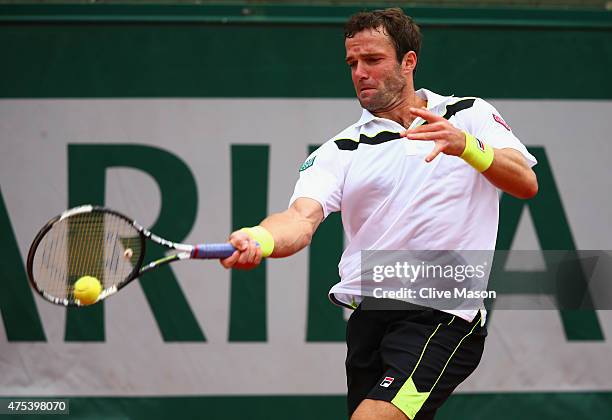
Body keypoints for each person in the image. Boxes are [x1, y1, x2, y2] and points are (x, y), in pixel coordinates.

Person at [221, 7, 538, 420]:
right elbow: (300, 218)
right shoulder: (340, 150)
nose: (360, 73)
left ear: (409, 62)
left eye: (373, 60)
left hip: (443, 316)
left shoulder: (468, 114)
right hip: (368, 319)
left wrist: (466, 146)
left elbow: (525, 182)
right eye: (353, 63)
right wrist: (259, 239)